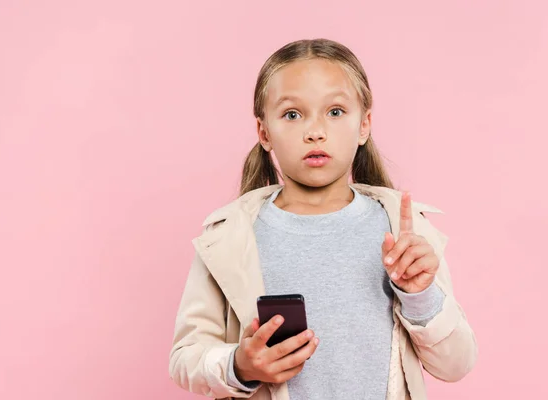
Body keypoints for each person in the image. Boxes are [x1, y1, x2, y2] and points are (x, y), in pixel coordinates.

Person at [168, 38, 477, 400]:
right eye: (292, 114)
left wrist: (420, 296)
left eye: (334, 111)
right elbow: (185, 358)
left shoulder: (404, 232)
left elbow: (457, 364)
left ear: (365, 125)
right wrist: (240, 365)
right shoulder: (228, 238)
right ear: (264, 133)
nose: (315, 131)